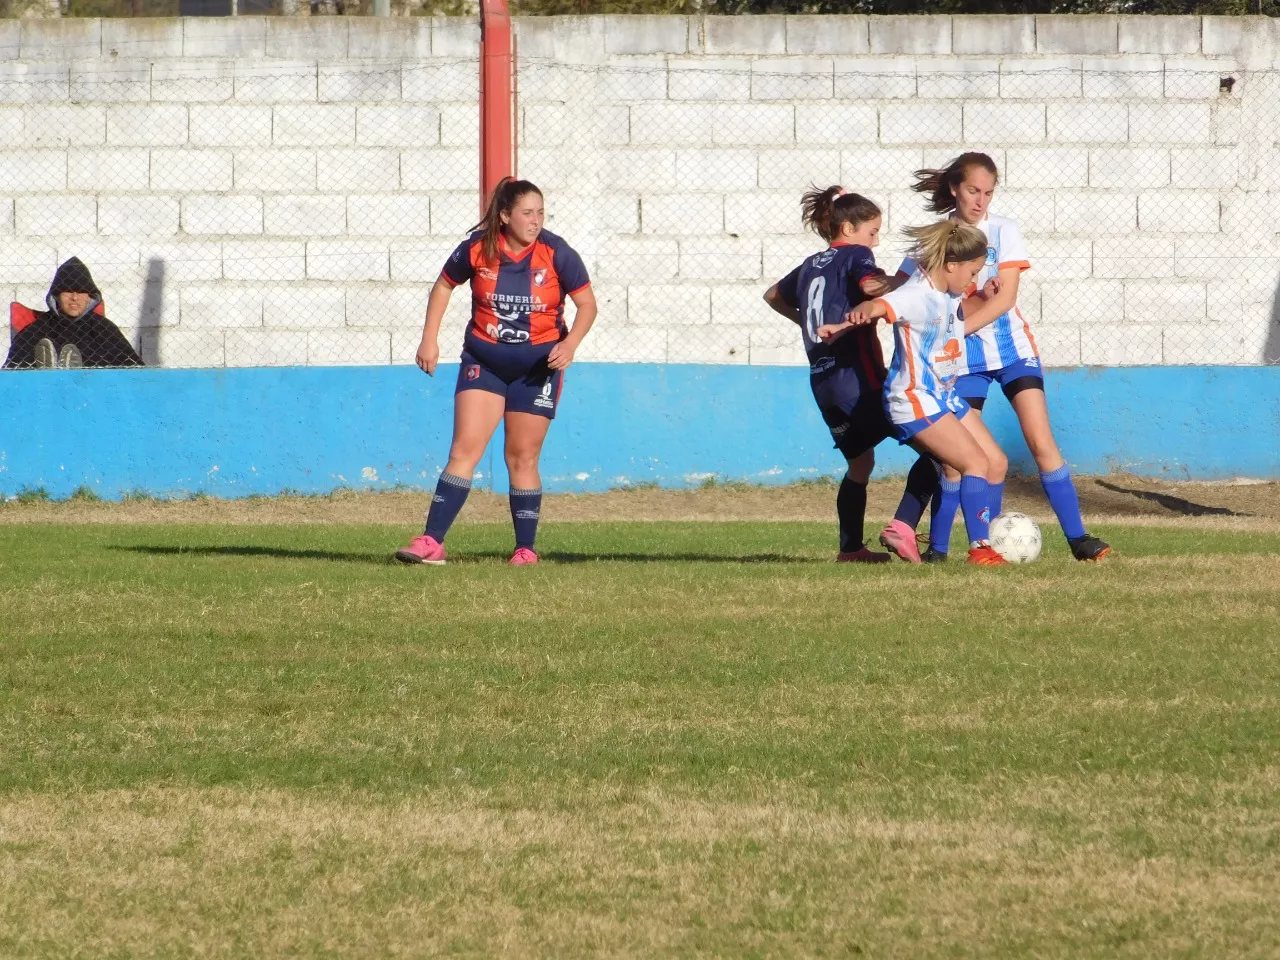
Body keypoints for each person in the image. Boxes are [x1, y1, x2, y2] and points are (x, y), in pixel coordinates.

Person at [883, 153, 1110, 563]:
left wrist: (953, 327)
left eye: (988, 193)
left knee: (1040, 442)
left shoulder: (1004, 231)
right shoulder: (936, 238)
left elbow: (1005, 298)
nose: (981, 201)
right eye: (973, 190)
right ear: (955, 188)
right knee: (954, 456)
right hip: (961, 362)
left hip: (1012, 353)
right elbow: (901, 287)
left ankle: (1078, 539)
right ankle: (945, 547)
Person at [394, 178, 597, 567]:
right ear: (505, 216)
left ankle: (525, 550)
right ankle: (432, 543)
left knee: (521, 458)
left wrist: (569, 346)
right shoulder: (478, 248)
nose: (536, 220)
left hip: (537, 370)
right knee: (463, 450)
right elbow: (443, 287)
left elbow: (587, 305)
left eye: (541, 212)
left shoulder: (558, 253)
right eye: (527, 213)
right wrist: (428, 340)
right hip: (484, 364)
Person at [817, 220, 1011, 566]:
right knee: (973, 463)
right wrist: (850, 319)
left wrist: (983, 296)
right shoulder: (915, 293)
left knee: (996, 462)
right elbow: (880, 306)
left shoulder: (949, 294)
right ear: (951, 265)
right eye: (972, 272)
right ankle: (981, 548)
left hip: (943, 394)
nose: (974, 279)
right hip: (913, 399)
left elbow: (957, 320)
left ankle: (947, 551)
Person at [762, 186, 937, 563]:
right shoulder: (856, 255)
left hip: (824, 384)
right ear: (847, 227)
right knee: (941, 453)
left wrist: (805, 322)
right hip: (860, 380)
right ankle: (903, 526)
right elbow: (872, 286)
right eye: (872, 231)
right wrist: (915, 283)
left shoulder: (811, 263)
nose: (875, 240)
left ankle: (850, 549)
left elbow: (773, 294)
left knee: (861, 464)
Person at [5, 257, 143, 370]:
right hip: (45, 396)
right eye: (68, 291)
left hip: (94, 392)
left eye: (81, 291)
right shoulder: (37, 330)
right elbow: (10, 371)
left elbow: (135, 369)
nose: (75, 297)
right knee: (40, 352)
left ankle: (71, 373)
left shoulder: (104, 329)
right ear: (57, 296)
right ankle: (51, 375)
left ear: (90, 296)